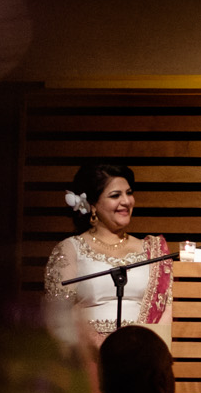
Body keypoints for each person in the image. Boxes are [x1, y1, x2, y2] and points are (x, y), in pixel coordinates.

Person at [44, 162, 174, 380]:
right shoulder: (70, 249)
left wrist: (144, 352)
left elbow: (168, 307)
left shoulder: (152, 249)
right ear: (93, 204)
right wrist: (102, 349)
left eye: (129, 193)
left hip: (144, 364)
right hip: (88, 363)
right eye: (115, 195)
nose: (126, 201)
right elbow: (58, 315)